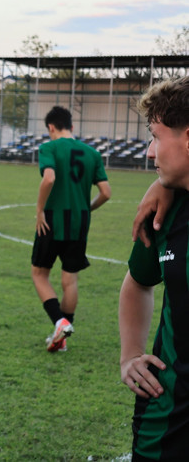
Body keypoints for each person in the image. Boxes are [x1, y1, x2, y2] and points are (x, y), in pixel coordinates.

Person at [120, 76, 189, 461]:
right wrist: (130, 354)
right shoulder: (163, 213)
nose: (149, 152)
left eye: (156, 136)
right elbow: (137, 282)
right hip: (168, 416)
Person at [31, 106, 111, 352]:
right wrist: (86, 209)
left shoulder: (49, 148)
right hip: (80, 222)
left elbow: (49, 178)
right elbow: (106, 193)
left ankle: (60, 322)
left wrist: (40, 210)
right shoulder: (92, 153)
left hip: (52, 219)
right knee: (70, 279)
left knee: (39, 273)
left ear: (51, 128)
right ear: (72, 127)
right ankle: (62, 337)